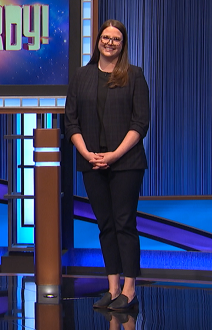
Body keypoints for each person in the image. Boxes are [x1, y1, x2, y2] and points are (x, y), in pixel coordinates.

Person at [65, 20, 150, 311]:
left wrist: (113, 155)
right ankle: (113, 288)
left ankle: (130, 288)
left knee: (124, 223)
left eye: (116, 39)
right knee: (105, 226)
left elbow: (141, 123)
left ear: (122, 44)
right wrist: (87, 153)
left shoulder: (134, 76)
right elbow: (71, 120)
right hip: (91, 162)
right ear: (98, 41)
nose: (110, 42)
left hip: (126, 162)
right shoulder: (81, 76)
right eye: (106, 37)